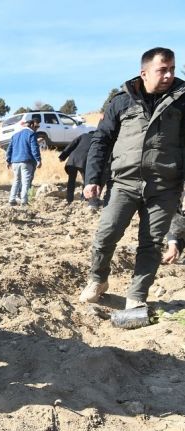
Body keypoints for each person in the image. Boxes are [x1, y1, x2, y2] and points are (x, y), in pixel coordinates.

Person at [80, 47, 185, 310]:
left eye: (172, 69)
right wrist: (93, 177)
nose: (169, 75)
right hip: (124, 183)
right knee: (106, 234)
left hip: (164, 186)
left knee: (150, 243)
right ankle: (97, 279)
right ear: (144, 73)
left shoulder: (183, 101)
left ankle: (137, 296)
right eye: (163, 70)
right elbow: (102, 140)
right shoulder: (122, 101)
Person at [5, 119, 41, 205]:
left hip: (15, 162)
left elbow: (9, 149)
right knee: (26, 182)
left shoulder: (15, 135)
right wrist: (38, 159)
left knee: (16, 181)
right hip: (26, 161)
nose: (36, 128)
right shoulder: (31, 134)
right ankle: (24, 201)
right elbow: (34, 148)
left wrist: (8, 160)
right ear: (31, 125)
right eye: (36, 126)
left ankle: (12, 199)